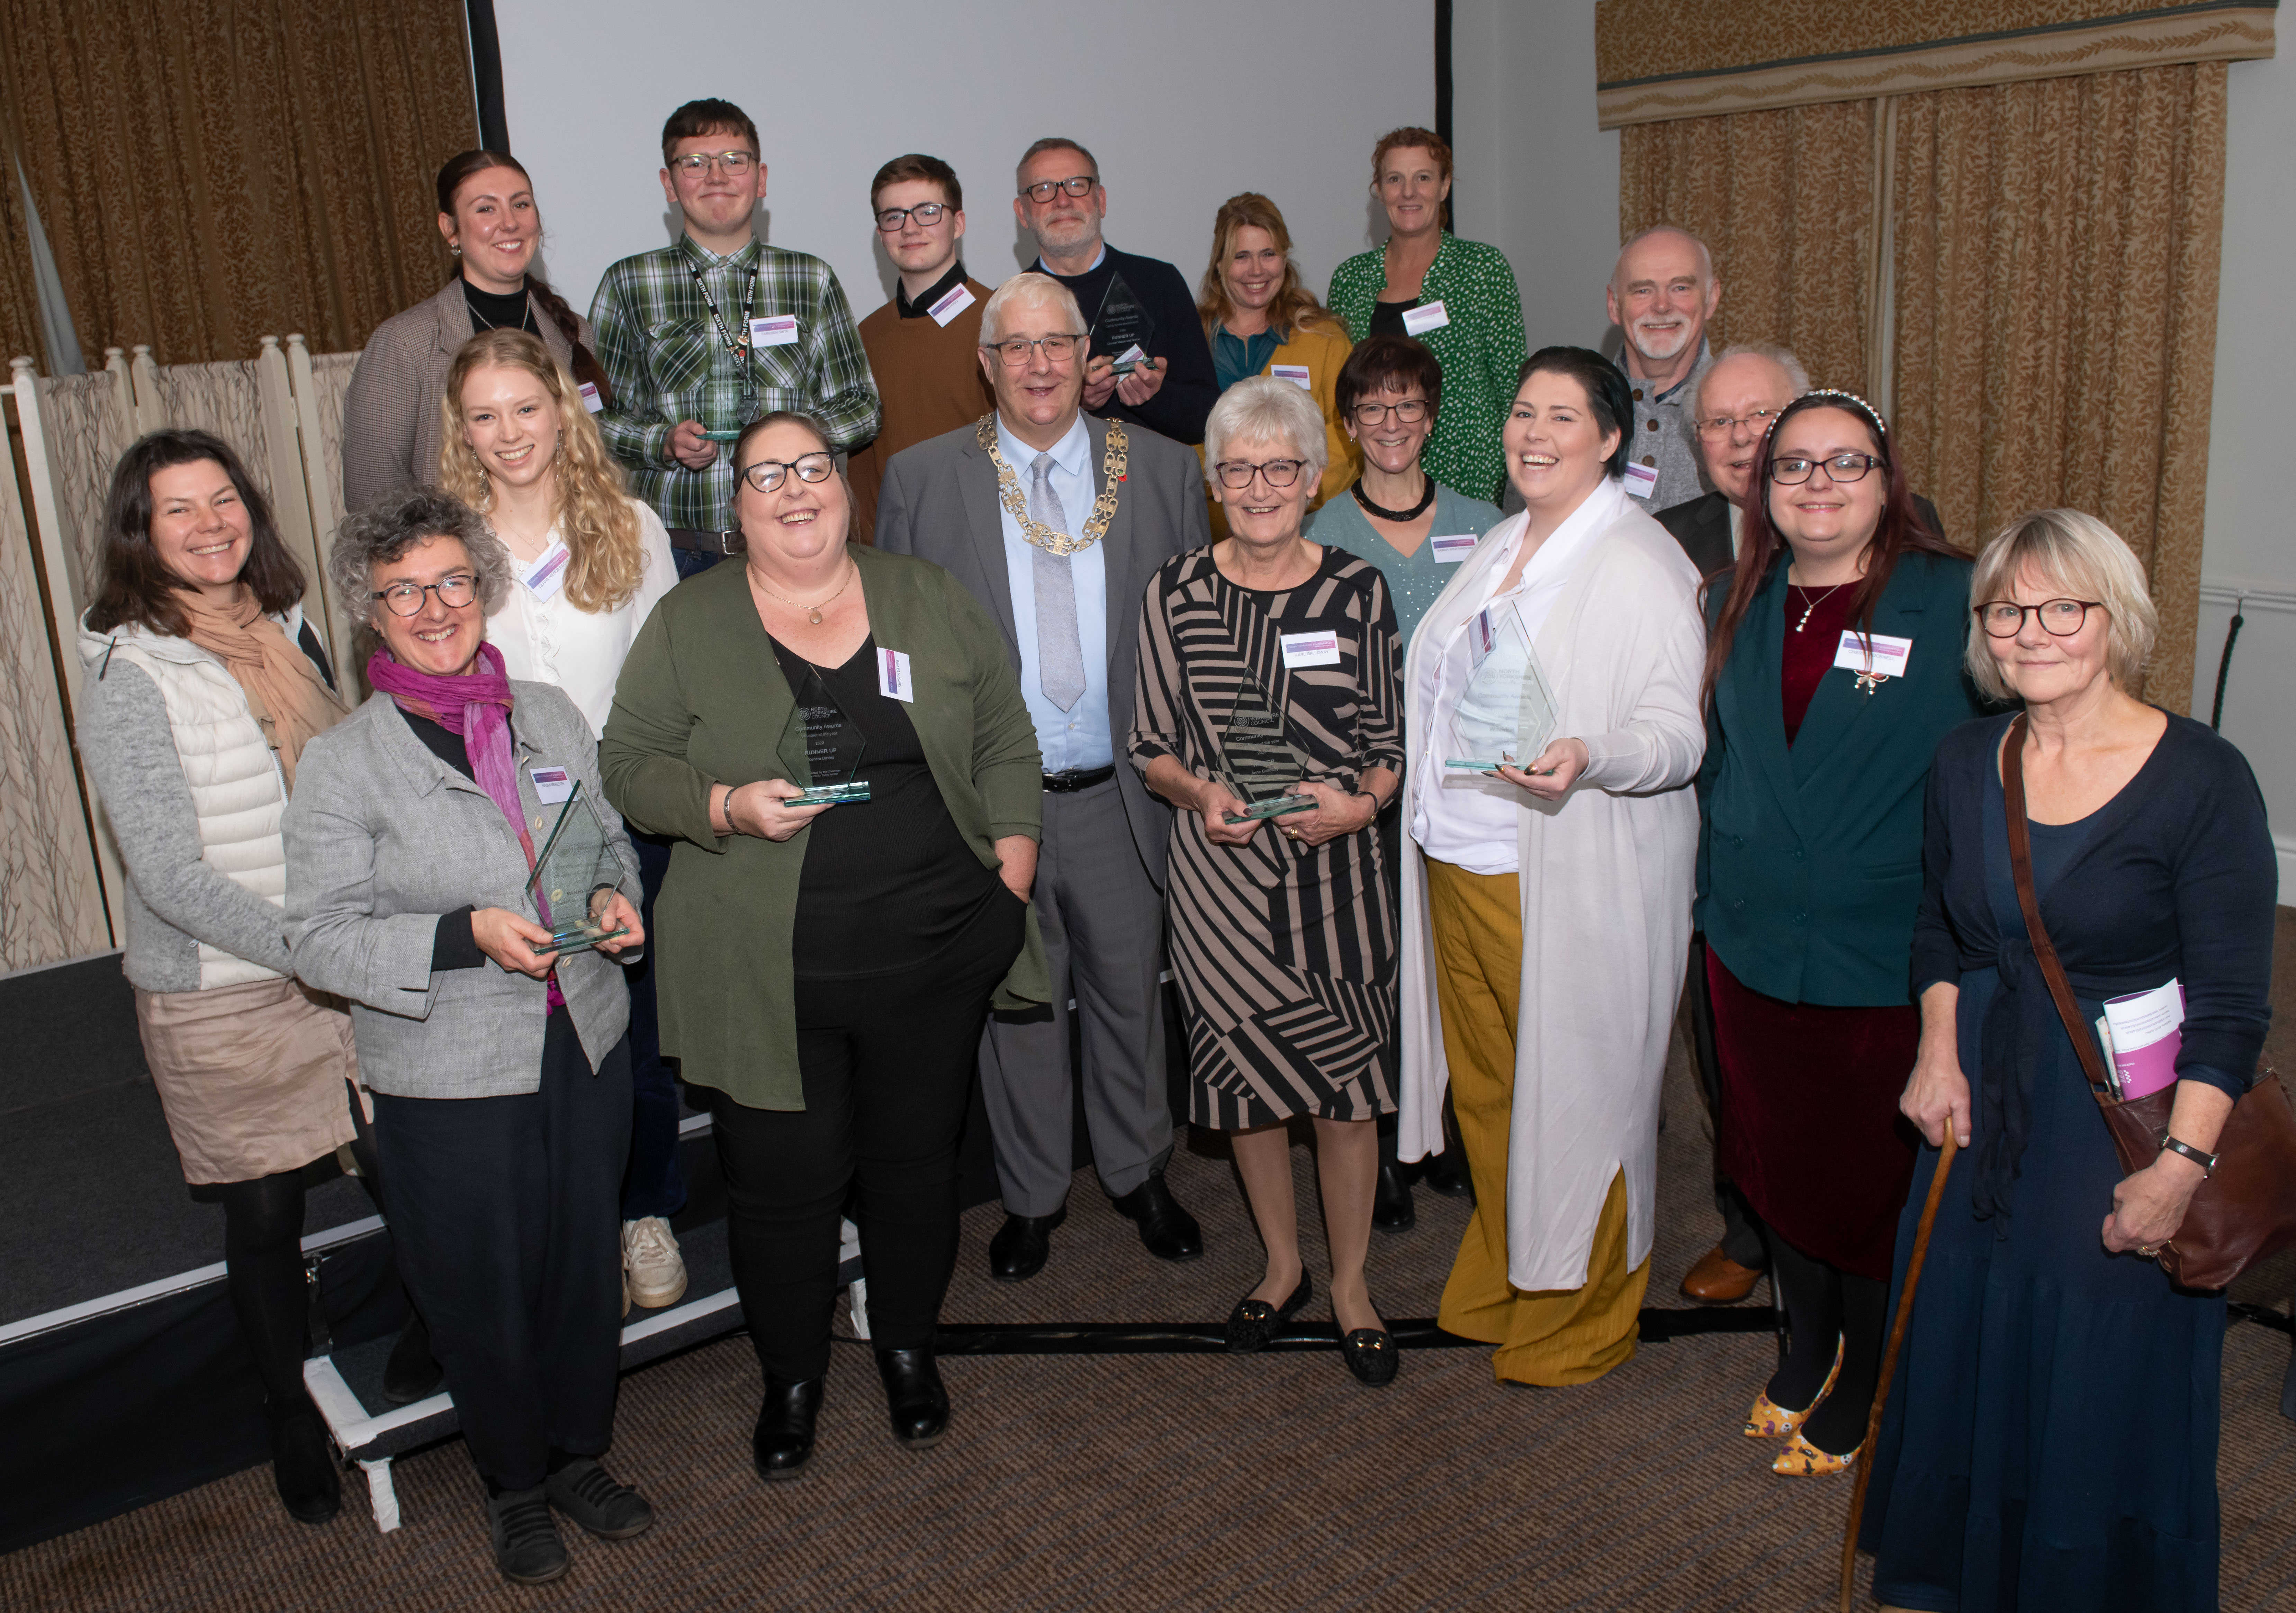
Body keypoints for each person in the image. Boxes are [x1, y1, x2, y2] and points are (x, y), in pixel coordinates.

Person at [597, 411, 1045, 1482]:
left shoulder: (924, 596)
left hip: (936, 954)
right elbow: (629, 760)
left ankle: (906, 1346)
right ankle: (791, 1373)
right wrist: (723, 802)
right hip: (767, 975)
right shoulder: (690, 619)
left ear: (844, 484)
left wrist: (1009, 884)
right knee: (782, 1189)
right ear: (735, 504)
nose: (797, 490)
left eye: (813, 468)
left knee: (911, 1167)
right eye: (768, 475)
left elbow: (1002, 737)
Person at [1861, 510, 2276, 1611]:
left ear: (2115, 618)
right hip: (1975, 1108)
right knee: (1960, 1335)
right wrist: (1934, 1050)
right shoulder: (1966, 757)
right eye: (2007, 609)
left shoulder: (2203, 778)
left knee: (2093, 1367)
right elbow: (1938, 930)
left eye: (2061, 607)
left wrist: (2178, 1168)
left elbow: (2233, 1007)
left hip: (2118, 1120)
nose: (2030, 631)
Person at [286, 491, 653, 1586]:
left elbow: (609, 849)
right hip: (446, 1071)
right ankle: (515, 1482)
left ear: (482, 587)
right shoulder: (344, 762)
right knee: (480, 1284)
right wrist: (463, 932)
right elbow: (317, 939)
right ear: (373, 612)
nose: (435, 606)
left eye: (453, 581)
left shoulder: (549, 713)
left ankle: (578, 1451)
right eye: (405, 590)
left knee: (583, 1265)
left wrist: (623, 908)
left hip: (580, 1038)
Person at [74, 430, 436, 1527]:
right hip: (222, 979)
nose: (208, 524)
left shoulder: (291, 625)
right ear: (143, 532)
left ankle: (436, 1324)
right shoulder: (129, 667)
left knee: (400, 1158)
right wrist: (307, 944)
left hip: (336, 954)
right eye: (177, 509)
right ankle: (288, 1406)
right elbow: (168, 869)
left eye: (222, 499)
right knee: (267, 1206)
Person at [875, 274, 1211, 1282]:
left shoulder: (1158, 471)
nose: (1036, 364)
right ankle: (1030, 1195)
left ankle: (1141, 1168)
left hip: (1122, 793)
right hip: (993, 809)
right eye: (1014, 347)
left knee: (1128, 993)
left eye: (1054, 342)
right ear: (986, 366)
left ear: (1082, 354)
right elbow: (896, 650)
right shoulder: (924, 479)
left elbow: (1193, 638)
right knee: (1017, 1006)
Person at [1396, 347, 1705, 1386]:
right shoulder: (1501, 542)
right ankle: (1515, 1267)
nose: (1533, 432)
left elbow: (1676, 735)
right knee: (1492, 1092)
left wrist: (1593, 754)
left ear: (1611, 438)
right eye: (1523, 411)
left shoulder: (1640, 561)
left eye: (1562, 417)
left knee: (1585, 1092)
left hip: (1562, 876)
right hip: (1462, 856)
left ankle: (1588, 1305)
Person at [1696, 390, 1983, 1474]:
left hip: (1886, 951)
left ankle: (1866, 1369)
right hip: (1751, 940)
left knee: (1868, 1179)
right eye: (1794, 466)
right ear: (1764, 489)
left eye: (1845, 463)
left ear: (1886, 478)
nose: (1818, 483)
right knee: (1775, 1159)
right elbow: (1723, 762)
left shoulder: (1954, 597)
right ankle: (1805, 1336)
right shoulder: (1734, 594)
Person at [1131, 377, 1405, 1386]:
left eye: (1279, 466)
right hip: (1225, 883)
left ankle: (1352, 1282)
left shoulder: (1357, 590)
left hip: (1335, 877)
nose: (1259, 485)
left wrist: (1364, 804)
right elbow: (1150, 744)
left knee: (1344, 1095)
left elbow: (1386, 741)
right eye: (1239, 468)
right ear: (1214, 480)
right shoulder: (1175, 593)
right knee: (1245, 1092)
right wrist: (1198, 792)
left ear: (1313, 475)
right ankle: (1284, 1264)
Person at [438, 328, 686, 1310]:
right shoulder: (448, 545)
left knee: (637, 1032)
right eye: (484, 416)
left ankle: (644, 1211)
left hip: (625, 823)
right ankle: (568, 1231)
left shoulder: (629, 525)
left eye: (526, 407)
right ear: (462, 430)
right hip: (502, 834)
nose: (510, 433)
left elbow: (667, 684)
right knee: (540, 1046)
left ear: (562, 407)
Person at [1304, 333, 1503, 1229]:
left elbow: (1509, 656)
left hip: (1467, 788)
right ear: (1349, 423)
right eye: (1373, 407)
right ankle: (1380, 1142)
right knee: (1376, 973)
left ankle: (1462, 1128)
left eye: (1408, 405)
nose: (1391, 421)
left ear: (1431, 418)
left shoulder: (1486, 521)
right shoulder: (1320, 533)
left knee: (1462, 966)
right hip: (1364, 791)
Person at [589, 98, 880, 577]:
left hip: (798, 541)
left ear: (761, 179)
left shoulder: (810, 278)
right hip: (678, 554)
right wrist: (663, 441)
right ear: (669, 183)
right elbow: (591, 422)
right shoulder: (628, 283)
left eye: (734, 161)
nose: (717, 177)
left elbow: (863, 407)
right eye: (695, 163)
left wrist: (790, 439)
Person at [342, 151, 611, 514]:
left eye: (521, 205)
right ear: (449, 228)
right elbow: (372, 502)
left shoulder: (573, 333)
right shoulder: (403, 344)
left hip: (567, 554)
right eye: (486, 209)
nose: (510, 223)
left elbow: (586, 462)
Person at [1326, 128, 1524, 505]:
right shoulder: (1351, 279)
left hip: (1472, 481)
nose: (1408, 192)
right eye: (1395, 179)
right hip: (1379, 475)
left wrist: (1510, 487)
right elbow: (1343, 391)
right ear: (1380, 190)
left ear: (1445, 186)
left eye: (1423, 178)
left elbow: (1514, 392)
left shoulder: (1483, 269)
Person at [1015, 137, 1218, 446]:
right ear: (1022, 213)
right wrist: (1074, 403)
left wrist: (1156, 395)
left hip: (1152, 485)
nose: (1062, 200)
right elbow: (1000, 429)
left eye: (1076, 184)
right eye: (1043, 189)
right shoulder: (1011, 305)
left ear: (1101, 200)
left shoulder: (1160, 283)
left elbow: (1207, 418)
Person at [844, 154, 994, 546]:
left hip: (982, 545)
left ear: (958, 223)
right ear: (881, 234)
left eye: (928, 212)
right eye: (894, 216)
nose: (910, 228)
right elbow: (861, 470)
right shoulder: (865, 335)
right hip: (890, 555)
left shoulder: (1003, 319)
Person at [1194, 192, 1356, 537]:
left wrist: (1288, 492)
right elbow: (1175, 440)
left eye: (1268, 254)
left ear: (1285, 259)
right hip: (1210, 533)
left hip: (1309, 529)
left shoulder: (1325, 339)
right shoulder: (1191, 340)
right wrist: (1223, 488)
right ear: (1220, 265)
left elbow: (1347, 434)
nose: (1257, 270)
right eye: (1242, 256)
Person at [1653, 342, 1808, 578]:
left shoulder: (1846, 523)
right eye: (1720, 422)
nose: (1740, 437)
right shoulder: (1666, 539)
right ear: (1697, 439)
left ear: (1804, 419)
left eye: (1761, 415)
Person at [1605, 226, 1721, 515]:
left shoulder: (1750, 414)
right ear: (1614, 305)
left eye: (1680, 288)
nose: (1661, 305)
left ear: (1712, 298)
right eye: (1643, 290)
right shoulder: (1573, 409)